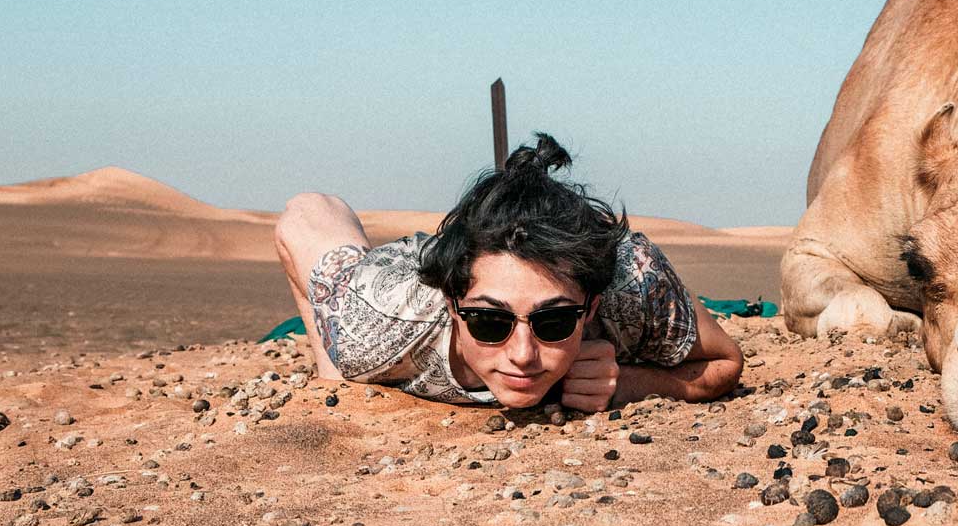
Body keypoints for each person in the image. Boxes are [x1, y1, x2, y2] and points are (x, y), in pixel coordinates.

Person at [273, 133, 743, 409]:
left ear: (590, 307)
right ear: (453, 306)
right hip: (398, 289)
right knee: (346, 372)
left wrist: (629, 382)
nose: (522, 355)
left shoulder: (634, 284)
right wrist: (335, 374)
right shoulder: (375, 319)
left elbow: (726, 363)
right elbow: (305, 214)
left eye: (553, 322)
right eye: (489, 321)